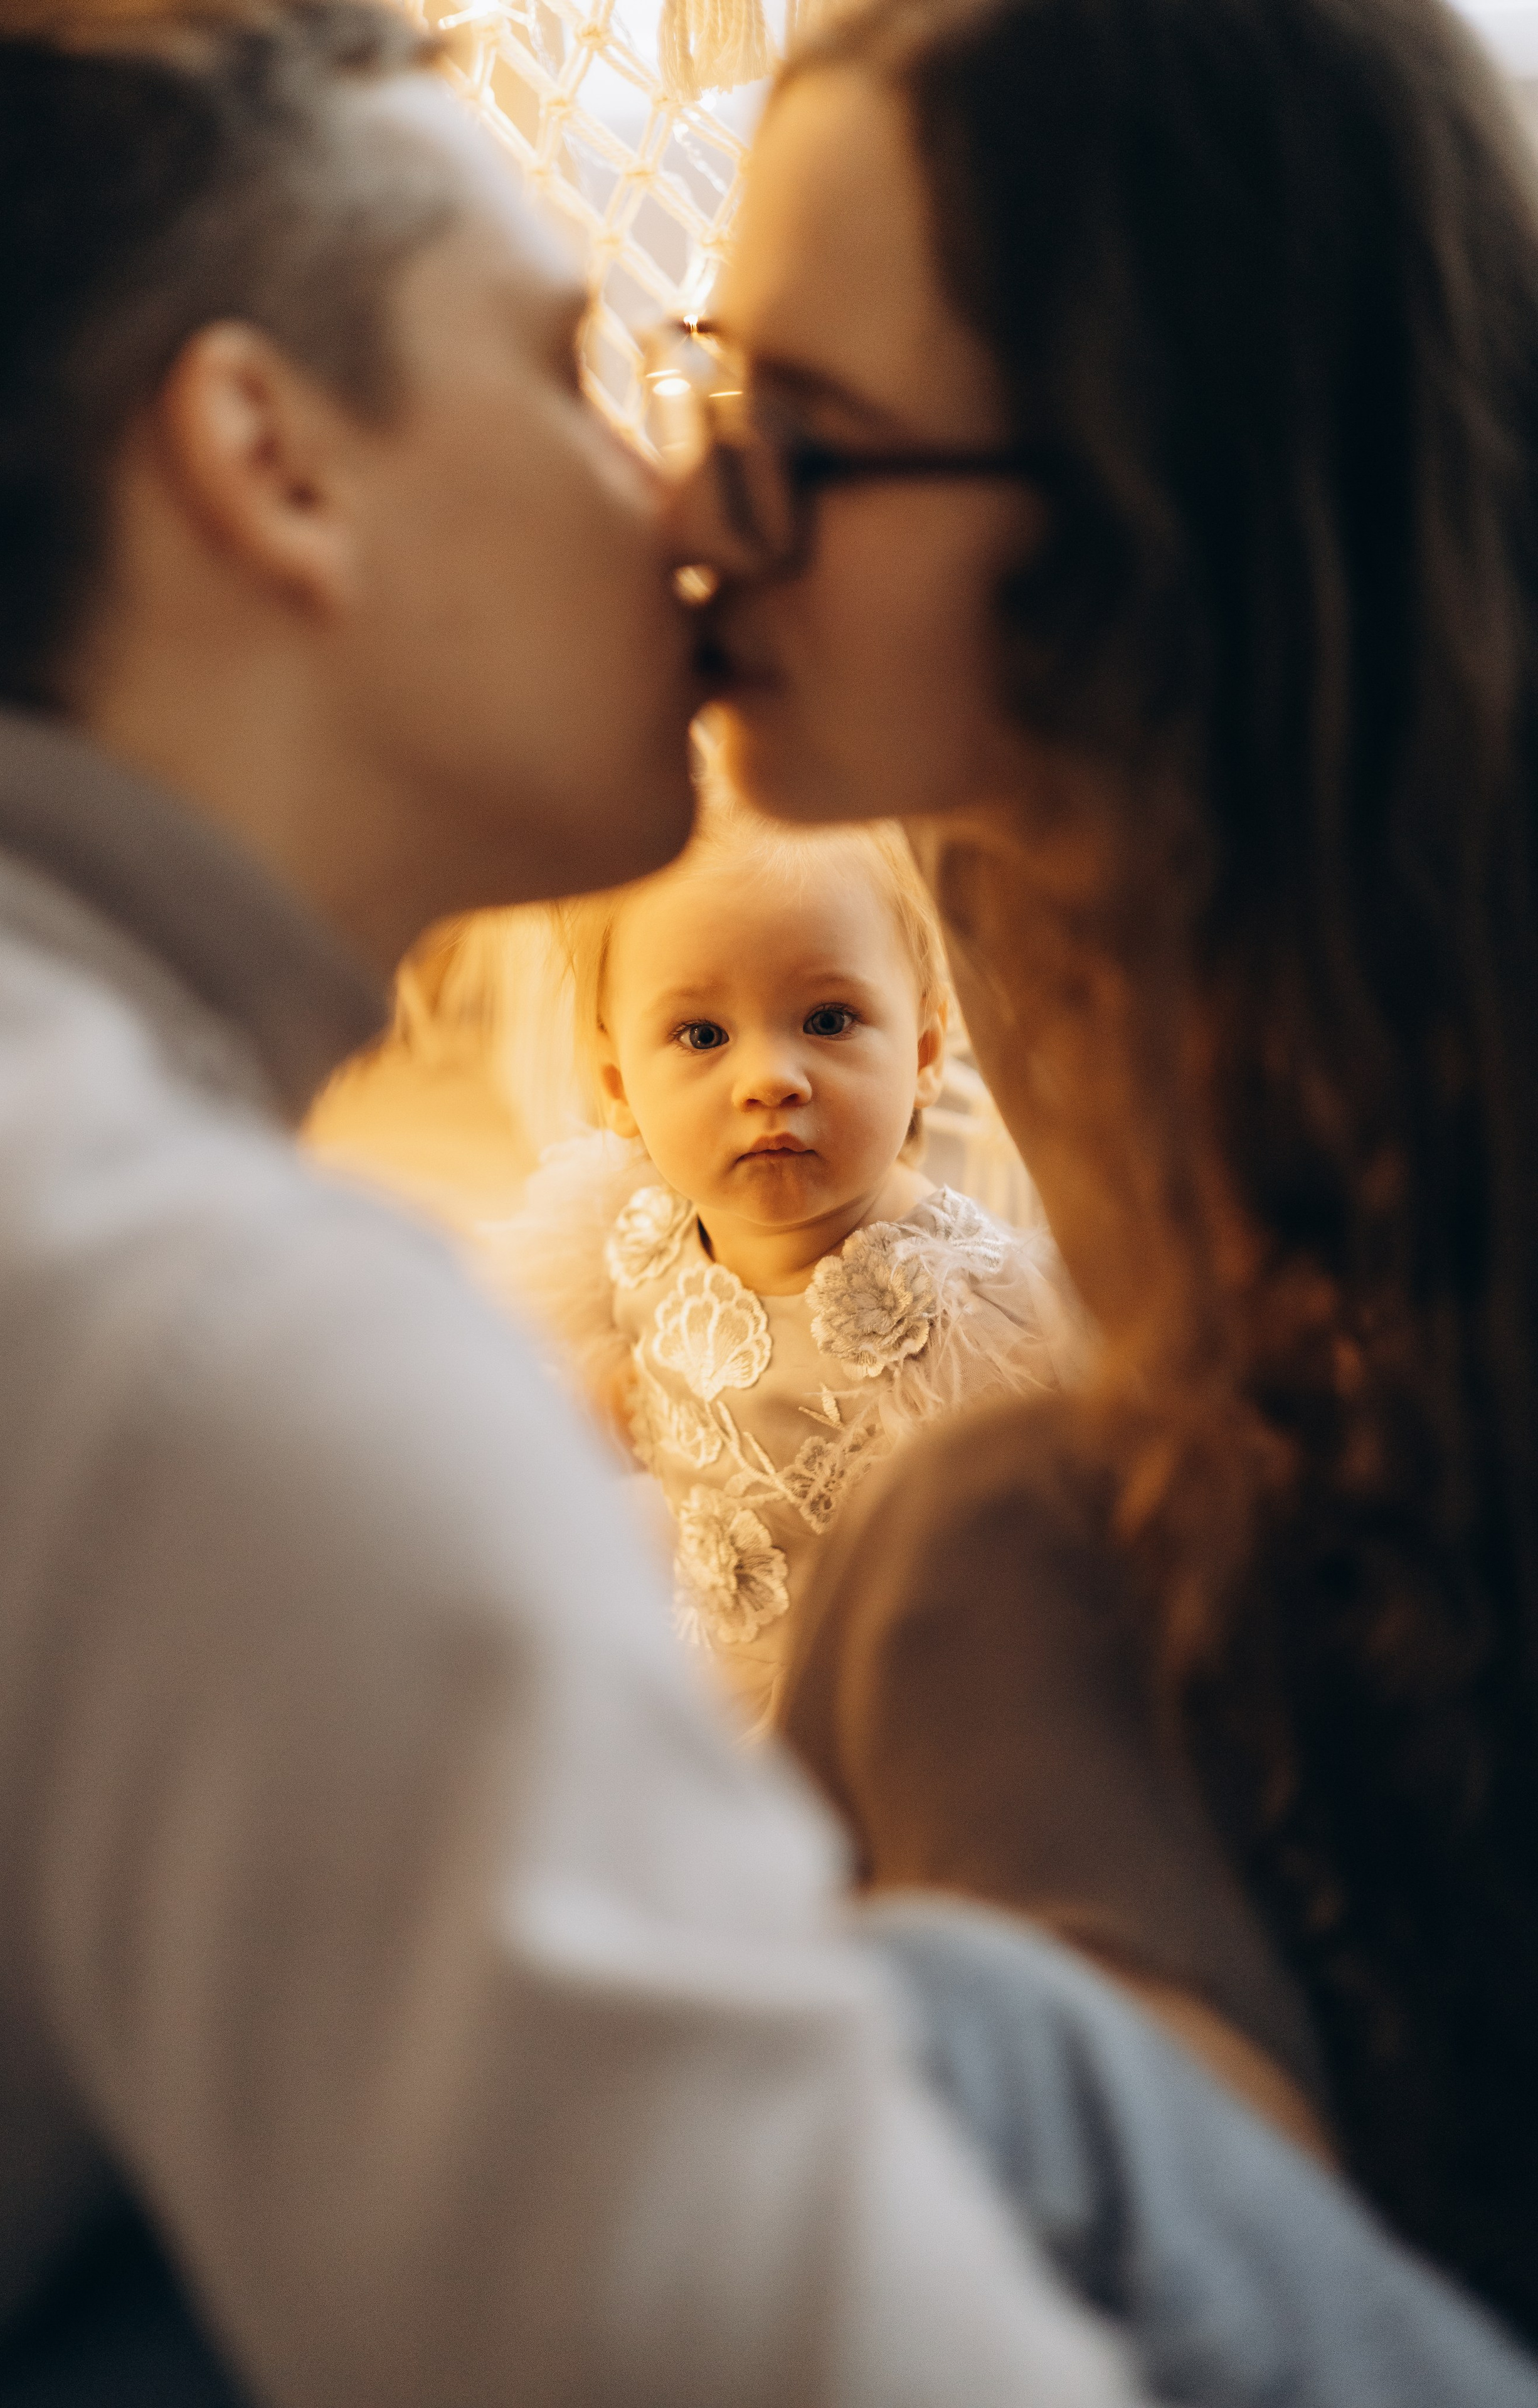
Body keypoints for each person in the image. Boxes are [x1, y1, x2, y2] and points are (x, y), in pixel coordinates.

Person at [0, 3, 1145, 2402]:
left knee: (1003, 2036)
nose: (692, 505)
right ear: (271, 462)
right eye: (576, 369)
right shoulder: (221, 1353)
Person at [664, 0, 1538, 2353]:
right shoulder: (1030, 885)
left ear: (1147, 490)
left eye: (804, 441)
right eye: (706, 381)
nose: (696, 510)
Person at [483, 791, 1067, 1723]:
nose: (769, 1081)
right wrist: (610, 1405)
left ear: (922, 1051)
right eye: (703, 1037)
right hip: (711, 1672)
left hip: (893, 1709)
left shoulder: (983, 1306)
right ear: (616, 1084)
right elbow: (628, 1374)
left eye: (829, 1020)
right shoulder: (638, 1229)